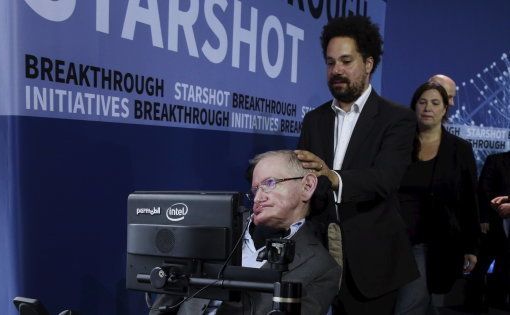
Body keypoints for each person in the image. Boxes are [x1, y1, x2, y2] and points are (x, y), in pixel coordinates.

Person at [295, 15, 419, 314]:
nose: (336, 70)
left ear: (368, 64)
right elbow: (306, 180)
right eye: (330, 62)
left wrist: (332, 177)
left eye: (346, 61)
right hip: (317, 258)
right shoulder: (315, 119)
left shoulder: (397, 118)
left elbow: (385, 179)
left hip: (372, 262)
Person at [150, 150, 341, 315]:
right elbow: (166, 303)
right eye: (255, 189)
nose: (258, 197)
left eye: (270, 183)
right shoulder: (214, 229)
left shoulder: (322, 267)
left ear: (307, 186)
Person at [394, 82, 480, 314]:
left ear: (444, 109)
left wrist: (471, 246)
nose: (427, 108)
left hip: (436, 241)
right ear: (414, 107)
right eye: (422, 102)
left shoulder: (460, 149)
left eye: (434, 103)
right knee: (422, 304)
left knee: (410, 305)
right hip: (395, 238)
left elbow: (469, 201)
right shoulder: (399, 144)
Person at [466, 151, 510, 311]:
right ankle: (473, 302)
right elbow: (484, 191)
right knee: (482, 262)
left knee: (505, 264)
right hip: (493, 221)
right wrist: (483, 218)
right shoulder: (496, 160)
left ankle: (497, 300)